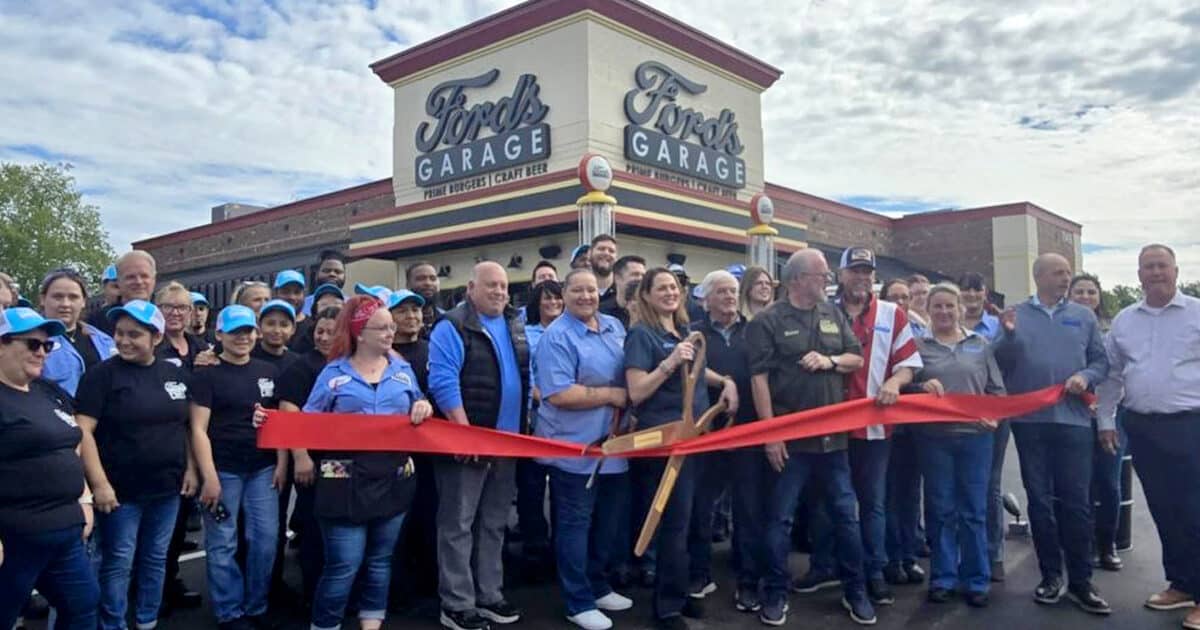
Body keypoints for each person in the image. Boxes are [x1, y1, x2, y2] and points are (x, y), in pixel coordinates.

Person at [286, 295, 431, 630]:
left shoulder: (402, 370)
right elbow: (305, 421)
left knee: (381, 561)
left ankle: (372, 622)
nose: (389, 332)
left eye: (391, 327)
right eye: (381, 327)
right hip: (343, 486)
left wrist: (422, 407)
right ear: (359, 333)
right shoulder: (332, 374)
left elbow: (419, 401)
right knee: (343, 565)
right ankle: (325, 624)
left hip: (393, 480)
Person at [745, 249, 873, 627]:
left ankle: (856, 592)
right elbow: (759, 380)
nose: (828, 281)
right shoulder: (767, 321)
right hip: (790, 440)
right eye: (822, 275)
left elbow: (856, 358)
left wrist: (829, 361)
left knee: (846, 518)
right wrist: (771, 435)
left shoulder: (832, 314)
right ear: (799, 278)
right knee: (779, 519)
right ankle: (774, 593)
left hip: (833, 441)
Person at [992, 253, 1110, 615]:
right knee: (1040, 502)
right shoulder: (1015, 314)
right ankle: (1050, 577)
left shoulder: (1083, 316)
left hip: (1073, 422)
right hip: (1030, 423)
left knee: (1076, 502)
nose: (1066, 279)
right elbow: (999, 363)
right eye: (1059, 273)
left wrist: (1086, 378)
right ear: (1039, 276)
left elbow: (1101, 362)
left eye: (1068, 274)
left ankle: (1081, 582)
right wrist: (1008, 337)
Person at [624, 267, 738, 629]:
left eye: (674, 287)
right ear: (646, 294)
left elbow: (695, 371)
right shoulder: (642, 335)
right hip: (666, 441)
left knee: (689, 520)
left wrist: (726, 382)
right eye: (662, 288)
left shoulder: (684, 331)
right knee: (673, 523)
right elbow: (637, 390)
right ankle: (666, 606)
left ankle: (678, 589)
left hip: (696, 439)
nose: (670, 293)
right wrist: (669, 362)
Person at [74, 300, 194, 630]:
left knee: (155, 558)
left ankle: (146, 621)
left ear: (156, 338)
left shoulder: (175, 374)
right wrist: (99, 484)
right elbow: (82, 430)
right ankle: (113, 624)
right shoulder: (102, 376)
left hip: (167, 488)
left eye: (134, 335)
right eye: (120, 334)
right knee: (119, 562)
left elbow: (185, 426)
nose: (124, 341)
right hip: (121, 491)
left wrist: (192, 468)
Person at [810, 248, 920, 608]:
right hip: (829, 423)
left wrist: (896, 383)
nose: (861, 277)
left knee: (872, 503)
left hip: (874, 427)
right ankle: (824, 566)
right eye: (855, 271)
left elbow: (908, 364)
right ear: (841, 275)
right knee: (827, 501)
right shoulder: (820, 310)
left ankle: (874, 571)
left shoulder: (893, 313)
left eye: (867, 272)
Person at [1098, 244, 1200, 629]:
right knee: (1163, 508)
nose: (1155, 272)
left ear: (1176, 270)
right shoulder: (1125, 321)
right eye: (1148, 267)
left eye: (1162, 266)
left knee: (1194, 509)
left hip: (1191, 425)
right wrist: (1105, 420)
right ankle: (1182, 583)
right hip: (1142, 425)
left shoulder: (1197, 313)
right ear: (1138, 274)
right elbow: (1111, 376)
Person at [428, 261, 529, 630]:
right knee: (457, 525)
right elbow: (443, 382)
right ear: (471, 288)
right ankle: (456, 603)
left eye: (503, 286)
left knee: (494, 524)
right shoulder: (452, 326)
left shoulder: (514, 322)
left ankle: (489, 595)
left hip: (507, 444)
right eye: (491, 286)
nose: (499, 292)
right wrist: (464, 433)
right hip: (467, 444)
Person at [534, 268, 632, 630]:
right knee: (575, 526)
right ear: (564, 293)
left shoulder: (614, 327)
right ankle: (577, 601)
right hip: (574, 449)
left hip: (615, 448)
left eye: (591, 290)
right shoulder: (556, 337)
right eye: (577, 290)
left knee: (607, 525)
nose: (586, 296)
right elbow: (559, 393)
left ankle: (598, 583)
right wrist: (611, 395)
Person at [0, 307, 99, 630]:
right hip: (17, 536)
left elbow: (71, 443)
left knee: (83, 606)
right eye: (32, 344)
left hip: (65, 531)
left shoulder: (47, 391)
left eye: (47, 345)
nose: (42, 352)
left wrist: (84, 498)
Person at [190, 305, 286, 630]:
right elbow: (198, 429)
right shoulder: (207, 375)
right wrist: (209, 476)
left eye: (248, 331)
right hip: (224, 469)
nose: (242, 337)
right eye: (234, 332)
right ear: (219, 335)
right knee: (223, 542)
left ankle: (256, 606)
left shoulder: (268, 372)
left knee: (265, 539)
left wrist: (282, 461)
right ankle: (229, 612)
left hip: (262, 467)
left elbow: (279, 422)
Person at [909, 283, 1006, 607]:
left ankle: (976, 579)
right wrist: (921, 385)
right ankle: (943, 577)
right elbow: (903, 385)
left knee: (974, 511)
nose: (944, 312)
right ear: (929, 310)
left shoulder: (980, 344)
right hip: (934, 439)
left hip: (975, 439)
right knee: (940, 510)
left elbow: (997, 391)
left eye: (950, 306)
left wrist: (993, 417)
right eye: (937, 306)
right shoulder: (917, 346)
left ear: (960, 309)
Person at [688, 270, 754, 609]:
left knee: (747, 508)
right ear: (707, 298)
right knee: (702, 506)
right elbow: (692, 368)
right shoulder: (694, 333)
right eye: (722, 291)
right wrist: (725, 382)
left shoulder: (753, 331)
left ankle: (748, 578)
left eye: (733, 291)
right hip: (706, 434)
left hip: (748, 431)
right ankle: (698, 572)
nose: (730, 296)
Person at [275, 306, 341, 606]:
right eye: (320, 331)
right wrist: (301, 457)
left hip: (350, 467)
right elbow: (289, 414)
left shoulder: (353, 364)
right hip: (314, 463)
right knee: (315, 533)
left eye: (332, 331)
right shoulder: (302, 367)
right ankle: (314, 598)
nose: (325, 337)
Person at [1067, 273, 1123, 572]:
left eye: (1091, 291)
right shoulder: (1063, 328)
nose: (1086, 297)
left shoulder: (1111, 331)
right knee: (1078, 485)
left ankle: (1107, 544)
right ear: (1069, 295)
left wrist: (1104, 413)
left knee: (1109, 483)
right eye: (1079, 292)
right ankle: (1081, 544)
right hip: (1073, 413)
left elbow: (1115, 375)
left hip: (1109, 414)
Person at [879, 278, 926, 585]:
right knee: (884, 497)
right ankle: (890, 558)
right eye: (894, 297)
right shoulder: (878, 329)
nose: (900, 302)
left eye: (905, 297)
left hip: (914, 429)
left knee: (910, 495)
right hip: (884, 426)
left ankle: (909, 555)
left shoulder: (922, 331)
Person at [519, 280, 564, 579]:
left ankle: (561, 549)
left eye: (557, 299)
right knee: (532, 488)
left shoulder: (568, 331)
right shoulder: (526, 334)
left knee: (563, 487)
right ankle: (534, 547)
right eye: (546, 299)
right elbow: (528, 374)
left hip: (568, 420)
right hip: (535, 418)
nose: (552, 304)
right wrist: (545, 395)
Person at [40, 268, 117, 396]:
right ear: (43, 299)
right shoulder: (31, 342)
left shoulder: (104, 340)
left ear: (83, 301)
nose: (65, 304)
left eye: (73, 297)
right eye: (57, 297)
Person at [89, 250, 158, 335]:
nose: (139, 281)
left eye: (144, 276)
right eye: (131, 277)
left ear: (154, 279)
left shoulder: (167, 315)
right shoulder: (97, 321)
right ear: (119, 282)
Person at [154, 281, 209, 370]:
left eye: (182, 307)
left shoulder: (201, 347)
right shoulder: (150, 346)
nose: (175, 313)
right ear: (157, 309)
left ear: (190, 312)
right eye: (168, 307)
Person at [600, 255, 646, 328]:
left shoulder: (650, 311)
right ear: (617, 278)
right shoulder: (601, 312)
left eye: (643, 276)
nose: (640, 279)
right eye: (635, 274)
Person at [253, 299, 299, 372]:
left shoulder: (297, 363)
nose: (277, 330)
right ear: (259, 325)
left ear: (293, 329)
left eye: (284, 325)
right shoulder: (247, 357)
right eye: (270, 324)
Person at [300, 250, 347, 316]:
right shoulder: (302, 305)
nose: (332, 274)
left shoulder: (352, 305)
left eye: (338, 272)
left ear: (344, 275)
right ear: (317, 274)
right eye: (326, 271)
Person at [407, 261, 444, 337]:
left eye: (433, 278)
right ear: (408, 284)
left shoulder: (446, 318)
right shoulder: (400, 321)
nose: (428, 283)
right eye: (421, 279)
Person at [958, 272, 1000, 339]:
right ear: (958, 292)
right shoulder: (947, 325)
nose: (972, 294)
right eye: (966, 289)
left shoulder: (999, 326)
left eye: (977, 289)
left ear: (986, 293)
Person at [589, 234, 619, 301]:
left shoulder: (622, 292)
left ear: (616, 258)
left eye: (611, 251)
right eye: (601, 249)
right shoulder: (575, 289)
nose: (606, 253)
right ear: (589, 253)